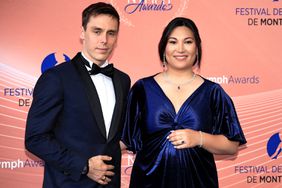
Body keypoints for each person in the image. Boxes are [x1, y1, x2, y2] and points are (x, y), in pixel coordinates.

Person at [121, 17, 246, 188]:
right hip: (148, 182)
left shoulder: (213, 92)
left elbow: (232, 146)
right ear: (164, 49)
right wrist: (87, 155)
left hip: (199, 182)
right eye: (173, 42)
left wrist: (199, 138)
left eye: (188, 42)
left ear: (197, 49)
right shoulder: (142, 89)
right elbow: (124, 139)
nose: (180, 49)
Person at [25, 2, 130, 188]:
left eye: (111, 33)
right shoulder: (56, 78)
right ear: (83, 33)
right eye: (97, 31)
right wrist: (84, 166)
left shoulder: (123, 80)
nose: (104, 40)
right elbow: (35, 138)